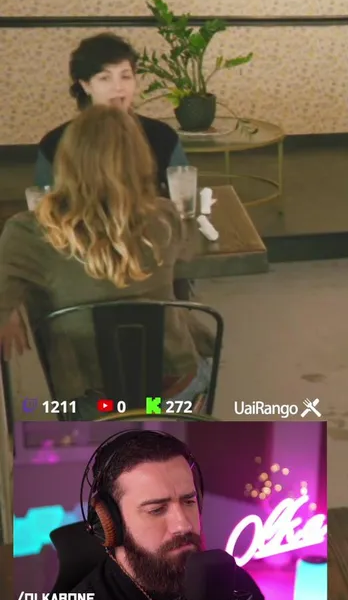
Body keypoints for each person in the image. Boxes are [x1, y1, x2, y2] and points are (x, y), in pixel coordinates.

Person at [0, 106, 214, 407]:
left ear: (65, 160)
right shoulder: (165, 216)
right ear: (142, 160)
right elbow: (184, 258)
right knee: (202, 353)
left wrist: (10, 308)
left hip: (94, 402)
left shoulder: (27, 233)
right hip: (174, 390)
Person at [64, 430, 272, 600]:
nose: (183, 525)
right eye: (156, 510)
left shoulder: (237, 586)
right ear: (109, 522)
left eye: (189, 502)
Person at [36, 33, 188, 196]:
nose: (118, 87)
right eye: (104, 78)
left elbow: (184, 197)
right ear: (86, 85)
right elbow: (46, 204)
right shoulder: (55, 143)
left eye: (125, 76)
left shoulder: (163, 137)